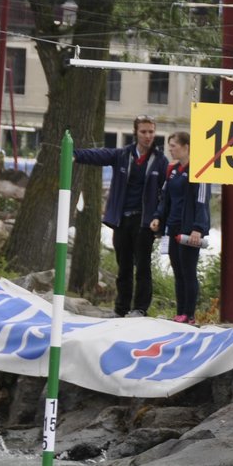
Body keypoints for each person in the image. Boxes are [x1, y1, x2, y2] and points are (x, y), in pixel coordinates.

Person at [73, 115, 167, 317]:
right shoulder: (123, 155)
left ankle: (140, 308)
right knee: (123, 266)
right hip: (122, 219)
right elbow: (99, 155)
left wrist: (160, 218)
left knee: (142, 267)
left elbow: (166, 193)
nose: (148, 136)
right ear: (136, 133)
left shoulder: (160, 161)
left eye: (151, 132)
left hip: (144, 221)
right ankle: (121, 308)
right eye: (143, 132)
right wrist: (75, 155)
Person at [148, 131, 209, 325]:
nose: (170, 149)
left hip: (189, 228)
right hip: (172, 226)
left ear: (186, 147)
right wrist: (158, 216)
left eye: (174, 145)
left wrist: (198, 227)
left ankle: (189, 314)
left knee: (188, 270)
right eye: (169, 146)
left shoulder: (199, 170)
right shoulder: (173, 170)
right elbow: (165, 196)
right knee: (178, 271)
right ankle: (180, 311)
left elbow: (202, 200)